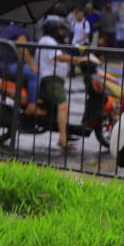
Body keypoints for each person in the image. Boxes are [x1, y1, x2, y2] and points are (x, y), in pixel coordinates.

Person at [37, 17, 86, 150]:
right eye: (61, 29)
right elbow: (58, 57)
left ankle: (63, 135)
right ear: (53, 29)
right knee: (63, 106)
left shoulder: (51, 41)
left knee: (62, 106)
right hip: (50, 78)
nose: (63, 32)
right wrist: (78, 59)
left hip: (55, 78)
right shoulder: (48, 40)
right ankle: (63, 140)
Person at [0, 22, 41, 116]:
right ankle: (32, 105)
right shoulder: (21, 31)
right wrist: (33, 66)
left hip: (2, 65)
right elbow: (22, 49)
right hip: (11, 65)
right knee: (34, 76)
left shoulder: (6, 28)